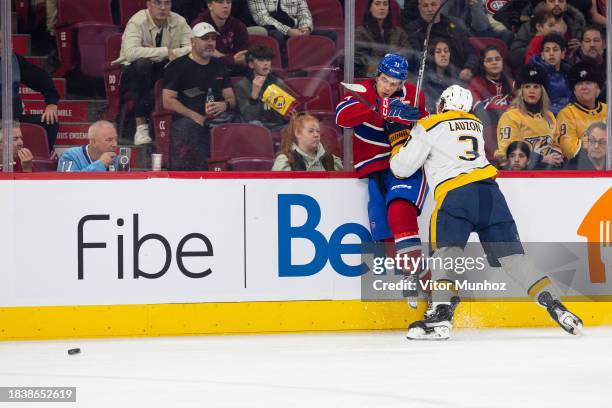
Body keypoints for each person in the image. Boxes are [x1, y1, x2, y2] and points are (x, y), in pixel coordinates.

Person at [389, 84, 583, 339]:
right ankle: (555, 304)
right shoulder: (476, 125)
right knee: (514, 259)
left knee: (446, 255)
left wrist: (400, 137)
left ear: (442, 105)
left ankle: (441, 316)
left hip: (455, 194)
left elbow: (401, 168)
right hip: (491, 194)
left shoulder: (430, 124)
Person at [336, 54, 429, 299]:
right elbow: (341, 117)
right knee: (383, 225)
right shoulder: (362, 90)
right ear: (377, 76)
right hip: (374, 167)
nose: (389, 87)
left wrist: (416, 118)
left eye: (395, 84)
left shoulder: (414, 93)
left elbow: (428, 127)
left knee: (401, 211)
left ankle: (428, 286)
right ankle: (407, 275)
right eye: (385, 80)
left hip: (406, 165)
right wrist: (380, 107)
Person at [112, 0, 192, 146]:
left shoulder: (179, 21)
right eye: (158, 3)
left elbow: (192, 48)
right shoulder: (137, 21)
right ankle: (141, 126)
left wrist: (168, 52)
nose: (163, 7)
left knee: (179, 67)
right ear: (148, 4)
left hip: (162, 68)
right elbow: (131, 53)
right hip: (132, 72)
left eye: (167, 3)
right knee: (143, 64)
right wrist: (163, 51)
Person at [163, 22, 236, 171]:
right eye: (205, 39)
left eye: (213, 39)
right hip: (188, 119)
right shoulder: (177, 66)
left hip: (219, 119)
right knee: (188, 128)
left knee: (243, 127)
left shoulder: (220, 66)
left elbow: (231, 99)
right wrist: (194, 115)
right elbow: (168, 100)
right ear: (193, 42)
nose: (210, 43)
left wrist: (225, 105)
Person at [494, 64, 563, 169]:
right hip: (521, 172)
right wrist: (541, 159)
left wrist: (557, 155)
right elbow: (507, 151)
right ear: (521, 91)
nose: (531, 91)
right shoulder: (510, 116)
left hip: (548, 170)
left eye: (536, 87)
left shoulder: (549, 116)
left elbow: (555, 143)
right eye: (527, 87)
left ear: (542, 91)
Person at [0, 32, 60, 152]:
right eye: (2, 42)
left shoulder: (15, 61)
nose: (8, 46)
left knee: (50, 122)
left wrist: (51, 104)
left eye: (9, 42)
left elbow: (43, 79)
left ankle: (41, 158)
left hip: (13, 118)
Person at [404, 0, 479, 82]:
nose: (430, 9)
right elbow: (416, 57)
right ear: (419, 7)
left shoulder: (455, 25)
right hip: (429, 80)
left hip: (459, 76)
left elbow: (471, 52)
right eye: (425, 6)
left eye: (433, 4)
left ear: (440, 4)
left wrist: (469, 68)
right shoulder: (414, 29)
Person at [509, 0, 585, 69]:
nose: (556, 4)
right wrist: (539, 45)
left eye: (561, 1)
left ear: (566, 6)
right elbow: (514, 56)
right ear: (545, 5)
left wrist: (581, 49)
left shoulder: (577, 26)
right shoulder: (530, 26)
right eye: (552, 1)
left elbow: (588, 58)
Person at [557, 62, 607, 161]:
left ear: (597, 87)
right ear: (574, 90)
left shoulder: (608, 110)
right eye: (579, 84)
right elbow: (570, 150)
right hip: (581, 169)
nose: (584, 87)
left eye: (588, 83)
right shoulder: (567, 114)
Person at [234, 45, 289, 131]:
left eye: (268, 60)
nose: (266, 63)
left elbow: (282, 118)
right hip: (254, 127)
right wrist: (254, 96)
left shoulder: (278, 83)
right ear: (251, 64)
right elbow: (249, 118)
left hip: (276, 126)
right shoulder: (242, 86)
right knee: (255, 124)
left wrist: (288, 113)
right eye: (261, 60)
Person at [354, 0, 411, 78]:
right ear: (370, 8)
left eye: (385, 4)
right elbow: (359, 62)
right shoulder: (360, 33)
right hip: (370, 78)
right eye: (377, 4)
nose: (382, 8)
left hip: (396, 77)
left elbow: (408, 55)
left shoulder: (399, 33)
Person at [192, 0, 249, 76]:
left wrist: (221, 57)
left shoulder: (239, 26)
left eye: (228, 2)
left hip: (233, 71)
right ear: (210, 5)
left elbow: (241, 57)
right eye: (220, 2)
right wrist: (231, 60)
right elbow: (205, 54)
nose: (226, 6)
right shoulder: (199, 25)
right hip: (206, 71)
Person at [272, 113, 342, 171]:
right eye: (311, 131)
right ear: (298, 133)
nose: (316, 135)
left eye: (318, 131)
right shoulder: (286, 161)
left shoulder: (331, 160)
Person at [469, 45, 514, 128]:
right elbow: (479, 110)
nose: (494, 62)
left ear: (502, 62)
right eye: (489, 60)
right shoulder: (476, 83)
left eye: (497, 59)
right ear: (483, 64)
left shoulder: (511, 84)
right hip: (487, 128)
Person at [529, 33, 571, 114]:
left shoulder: (570, 73)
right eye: (547, 50)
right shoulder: (534, 75)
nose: (551, 53)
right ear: (542, 55)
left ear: (563, 53)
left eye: (555, 50)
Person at [423, 38, 462, 114]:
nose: (443, 54)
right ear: (432, 55)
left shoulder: (455, 78)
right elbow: (429, 108)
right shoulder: (425, 79)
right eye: (438, 52)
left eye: (446, 51)